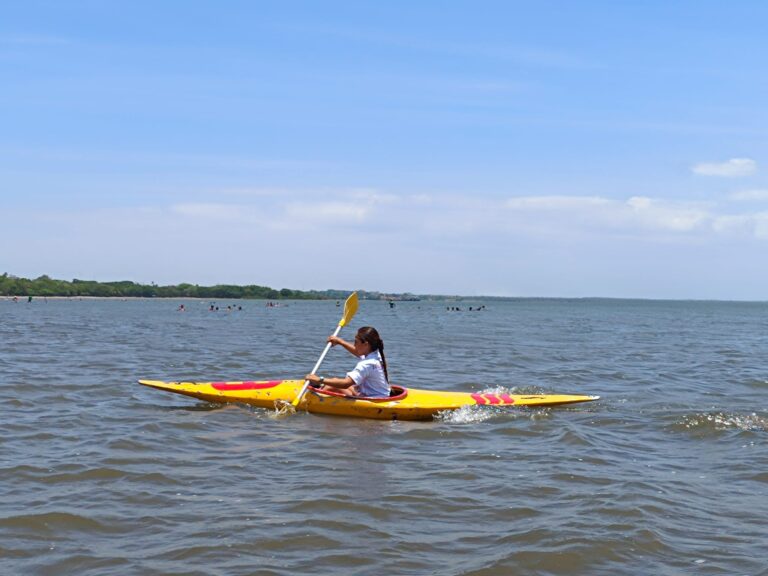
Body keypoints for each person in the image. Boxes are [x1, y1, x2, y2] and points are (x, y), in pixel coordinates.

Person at [305, 326, 391, 398]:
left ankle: (312, 400)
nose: (354, 345)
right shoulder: (376, 353)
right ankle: (319, 390)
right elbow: (357, 352)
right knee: (335, 380)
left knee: (330, 387)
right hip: (381, 393)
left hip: (373, 398)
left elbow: (345, 384)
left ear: (366, 344)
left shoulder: (367, 364)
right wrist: (340, 342)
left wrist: (319, 379)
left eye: (356, 342)